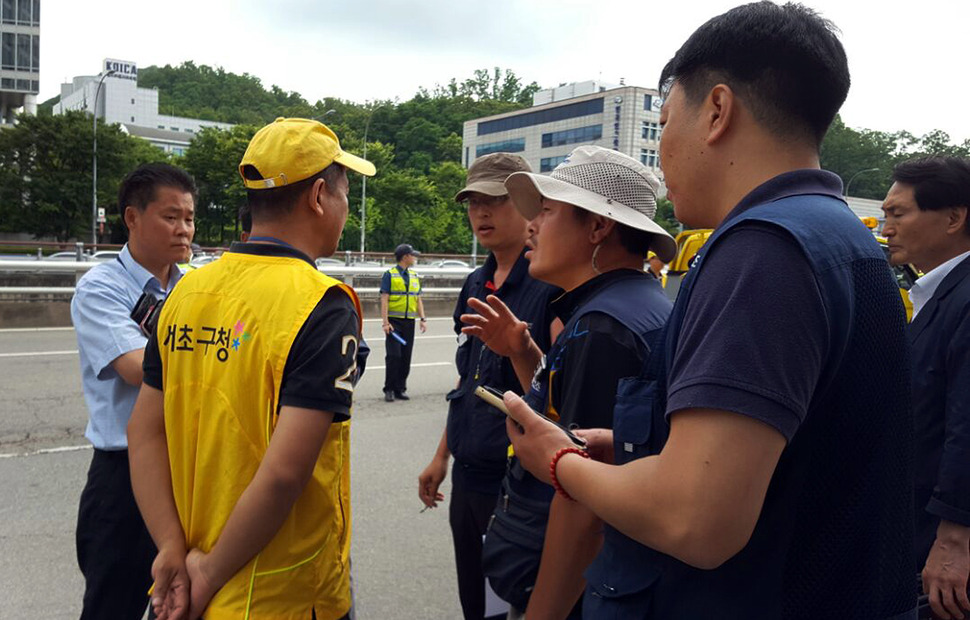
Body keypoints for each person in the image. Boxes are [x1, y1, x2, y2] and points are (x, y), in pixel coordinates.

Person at [500, 3, 916, 618]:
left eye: (665, 121)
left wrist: (557, 461)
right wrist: (645, 448)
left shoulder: (764, 250)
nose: (661, 150)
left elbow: (696, 520)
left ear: (717, 111)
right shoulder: (841, 236)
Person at [127, 117, 375, 619]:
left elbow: (143, 432)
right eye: (346, 192)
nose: (346, 208)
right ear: (320, 195)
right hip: (281, 593)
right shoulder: (322, 304)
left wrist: (173, 550)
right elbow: (285, 472)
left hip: (193, 566)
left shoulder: (186, 292)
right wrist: (209, 573)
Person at [463, 146, 675, 618]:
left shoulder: (604, 329)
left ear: (599, 227)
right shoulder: (630, 305)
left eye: (547, 210)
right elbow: (563, 419)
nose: (532, 224)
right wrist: (524, 353)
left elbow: (582, 501)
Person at [417, 152, 561, 620]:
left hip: (518, 482)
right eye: (473, 202)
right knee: (475, 603)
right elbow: (468, 378)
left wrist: (519, 349)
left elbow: (557, 396)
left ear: (526, 204)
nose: (481, 212)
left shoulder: (550, 287)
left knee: (512, 603)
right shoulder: (475, 283)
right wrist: (442, 456)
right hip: (470, 477)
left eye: (495, 201)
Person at [70, 162, 197, 619]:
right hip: (122, 476)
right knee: (114, 605)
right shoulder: (100, 288)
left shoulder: (197, 288)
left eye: (188, 218)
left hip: (189, 470)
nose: (183, 230)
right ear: (132, 218)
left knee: (184, 603)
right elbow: (138, 369)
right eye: (170, 217)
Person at [883, 156, 970, 620]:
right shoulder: (942, 293)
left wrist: (954, 539)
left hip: (943, 545)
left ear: (954, 218)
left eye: (899, 214)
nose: (886, 227)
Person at [380, 243, 427, 401]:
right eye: (412, 255)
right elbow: (384, 299)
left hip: (409, 323)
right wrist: (385, 322)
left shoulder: (414, 275)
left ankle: (400, 388)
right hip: (394, 323)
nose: (414, 258)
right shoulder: (390, 274)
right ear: (405, 256)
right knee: (394, 355)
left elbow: (417, 299)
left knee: (406, 356)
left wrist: (423, 318)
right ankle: (389, 389)